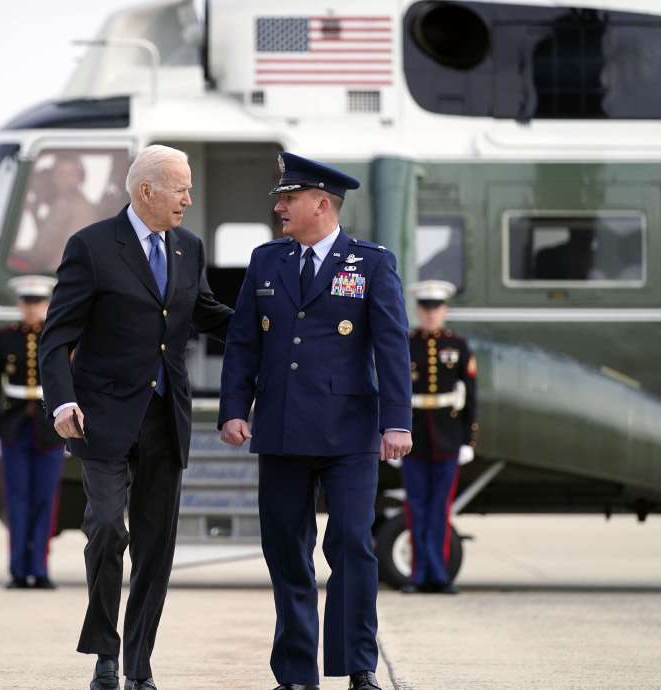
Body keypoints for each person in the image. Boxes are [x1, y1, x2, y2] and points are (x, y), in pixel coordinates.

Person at [38, 145, 232, 690]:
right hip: (99, 418)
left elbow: (205, 313)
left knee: (156, 547)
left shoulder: (188, 249)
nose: (189, 199)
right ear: (146, 191)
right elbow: (56, 339)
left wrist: (274, 324)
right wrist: (61, 401)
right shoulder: (93, 248)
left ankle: (138, 667)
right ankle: (104, 651)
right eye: (181, 189)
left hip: (165, 417)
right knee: (105, 528)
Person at [218, 152, 413, 690]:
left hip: (349, 431)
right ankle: (296, 672)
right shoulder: (266, 261)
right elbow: (242, 343)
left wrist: (397, 421)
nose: (279, 207)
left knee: (351, 543)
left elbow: (393, 346)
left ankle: (358, 667)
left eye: (289, 198)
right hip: (280, 428)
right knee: (286, 548)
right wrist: (234, 409)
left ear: (321, 203)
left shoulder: (370, 262)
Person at [0, 274, 65, 590]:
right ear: (19, 305)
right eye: (27, 303)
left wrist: (70, 427)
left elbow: (72, 381)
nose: (32, 309)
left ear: (47, 305)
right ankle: (18, 570)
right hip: (14, 426)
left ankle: (40, 569)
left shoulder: (58, 337)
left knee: (46, 499)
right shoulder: (3, 338)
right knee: (17, 499)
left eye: (38, 303)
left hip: (49, 427)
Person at [399, 280, 478, 595]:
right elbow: (394, 393)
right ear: (418, 311)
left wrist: (468, 441)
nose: (431, 315)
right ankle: (419, 575)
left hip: (447, 437)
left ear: (444, 311)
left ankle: (439, 574)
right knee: (415, 508)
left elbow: (470, 396)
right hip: (414, 436)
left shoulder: (458, 346)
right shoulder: (407, 343)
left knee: (440, 510)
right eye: (425, 308)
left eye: (437, 309)